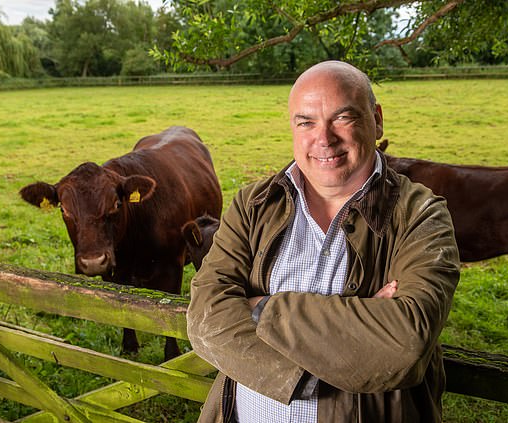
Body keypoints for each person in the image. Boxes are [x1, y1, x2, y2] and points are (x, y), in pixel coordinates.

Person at [186, 60, 460, 422]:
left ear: (376, 120)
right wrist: (336, 356)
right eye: (306, 122)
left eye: (342, 118)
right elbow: (205, 318)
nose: (324, 138)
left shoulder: (421, 215)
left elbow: (407, 342)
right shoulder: (253, 205)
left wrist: (260, 308)